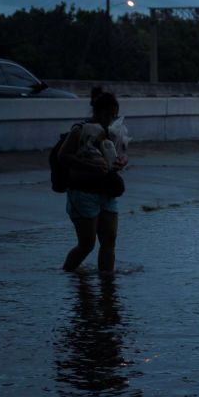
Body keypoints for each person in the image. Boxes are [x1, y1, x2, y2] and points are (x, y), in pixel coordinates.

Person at [60, 88, 128, 274]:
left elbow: (122, 154)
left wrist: (122, 160)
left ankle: (107, 283)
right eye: (106, 114)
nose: (109, 119)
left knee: (110, 239)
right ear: (96, 112)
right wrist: (90, 167)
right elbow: (63, 156)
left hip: (106, 191)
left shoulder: (113, 132)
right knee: (87, 244)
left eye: (113, 116)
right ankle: (67, 273)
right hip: (83, 192)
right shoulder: (80, 131)